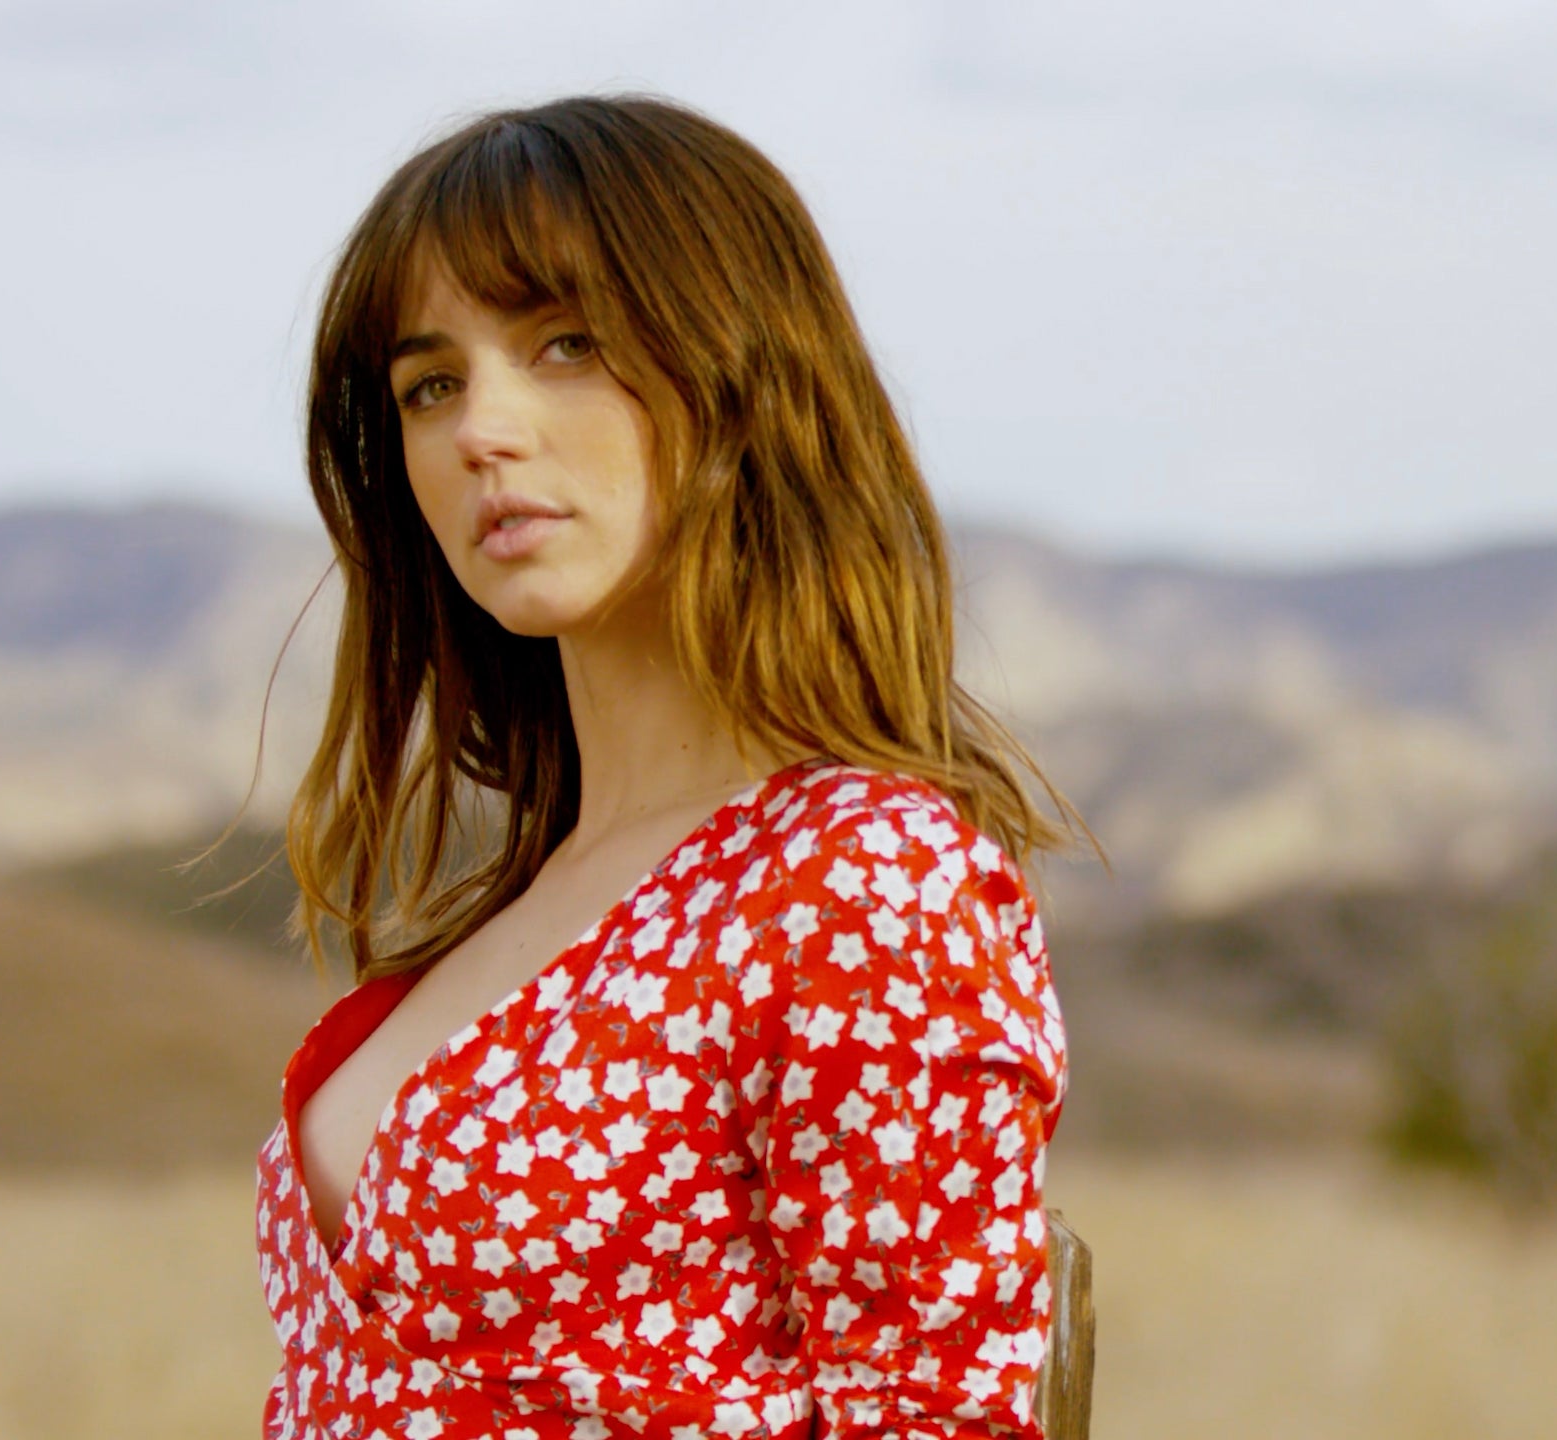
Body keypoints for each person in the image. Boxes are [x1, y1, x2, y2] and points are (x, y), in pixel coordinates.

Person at [252, 93, 1082, 1439]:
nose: (482, 430)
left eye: (566, 344)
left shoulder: (861, 881)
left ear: (744, 375)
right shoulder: (532, 891)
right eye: (431, 384)